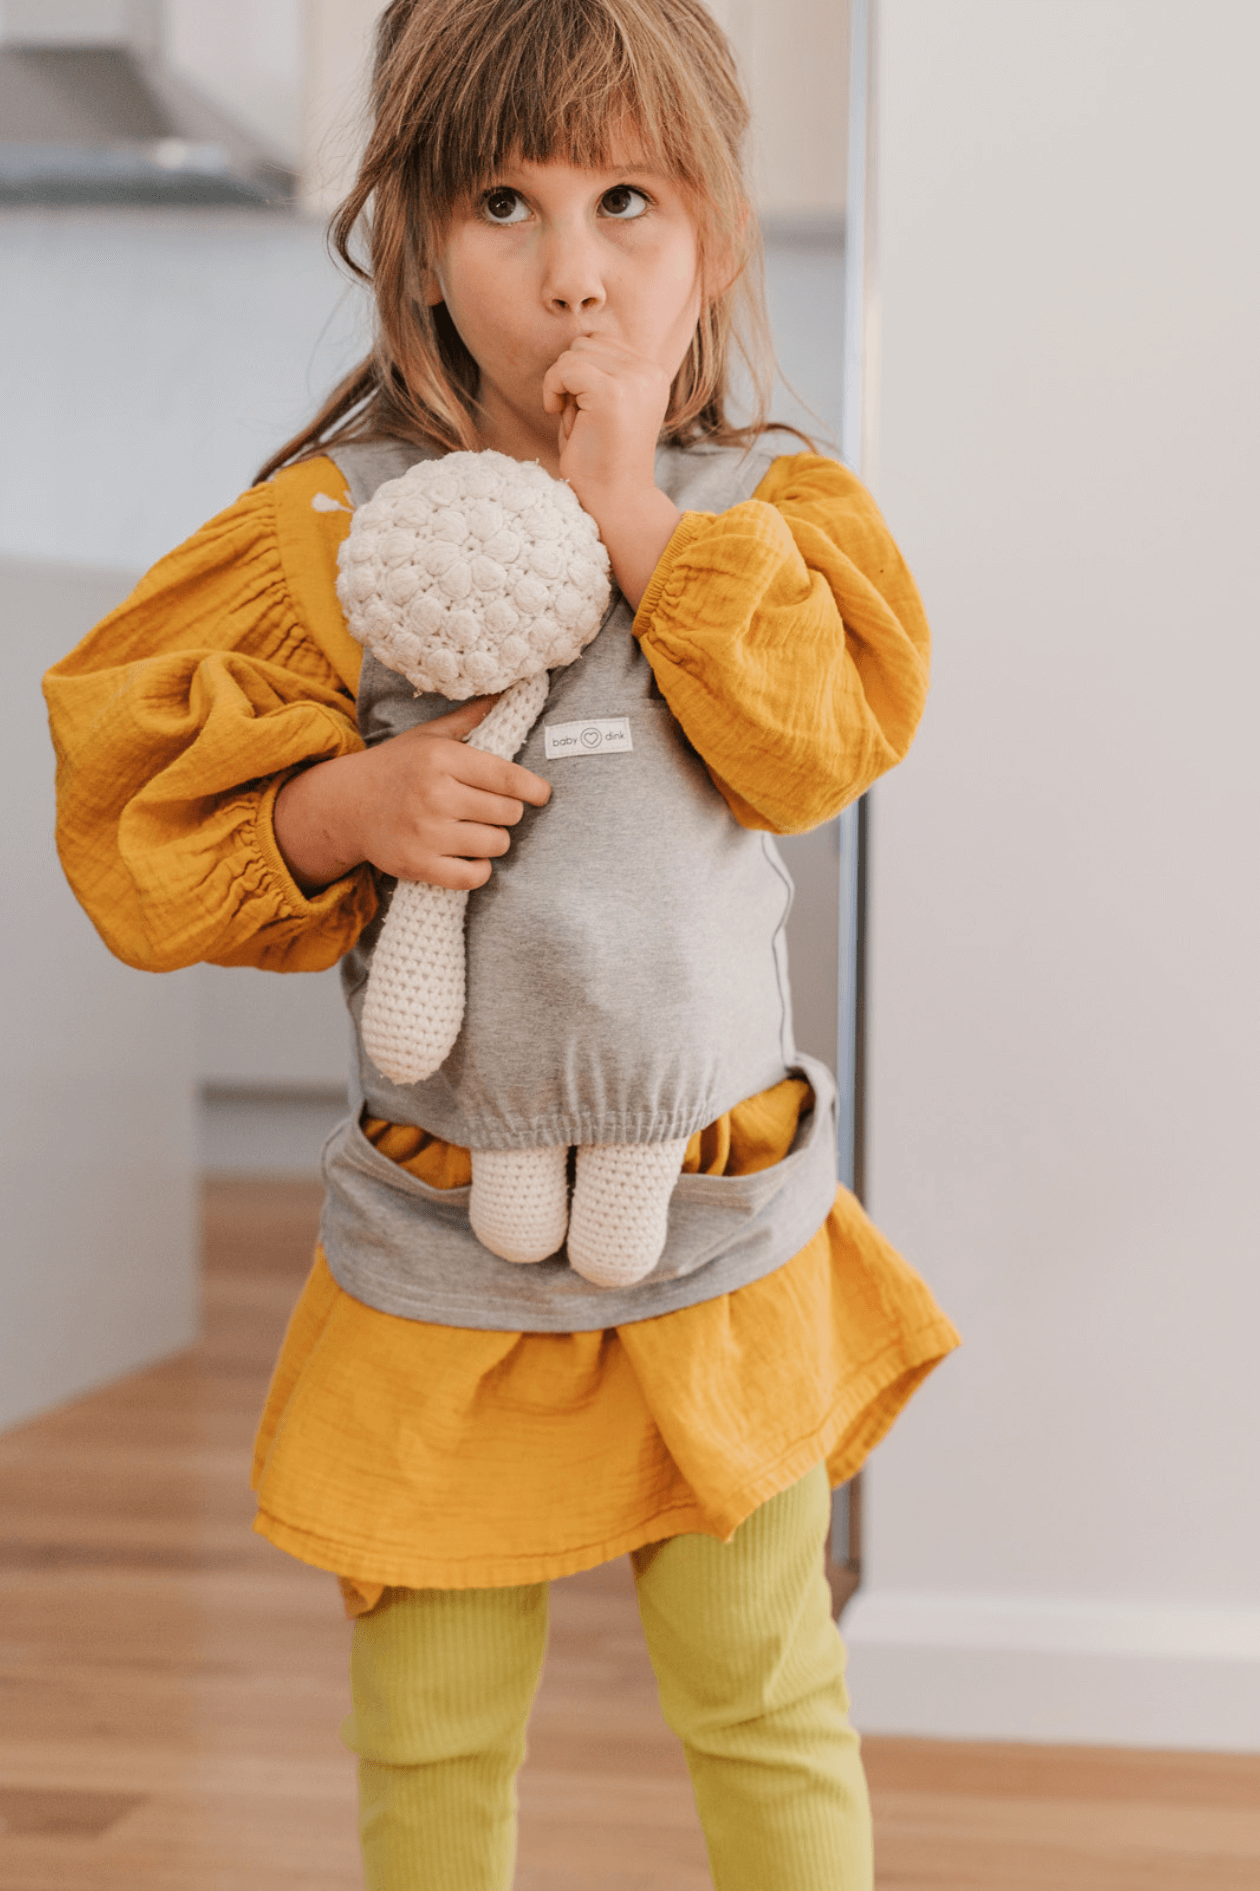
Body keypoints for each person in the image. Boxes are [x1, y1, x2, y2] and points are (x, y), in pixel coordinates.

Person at [44, 2, 959, 1885]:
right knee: (433, 1724)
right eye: (503, 203)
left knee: (764, 1688)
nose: (571, 277)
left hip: (711, 1239)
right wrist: (337, 810)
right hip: (441, 1260)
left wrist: (634, 515)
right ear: (421, 247)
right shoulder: (337, 531)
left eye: (625, 199)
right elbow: (132, 816)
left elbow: (819, 741)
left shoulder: (765, 511)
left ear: (709, 225)